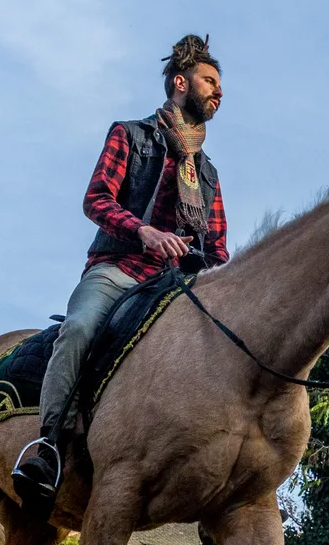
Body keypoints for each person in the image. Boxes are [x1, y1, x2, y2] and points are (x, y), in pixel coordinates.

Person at [12, 34, 229, 511]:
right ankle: (48, 446)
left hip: (176, 288)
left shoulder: (209, 173)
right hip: (119, 269)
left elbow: (217, 250)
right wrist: (145, 232)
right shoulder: (131, 135)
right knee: (79, 329)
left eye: (220, 85)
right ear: (179, 82)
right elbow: (96, 200)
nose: (219, 92)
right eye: (209, 81)